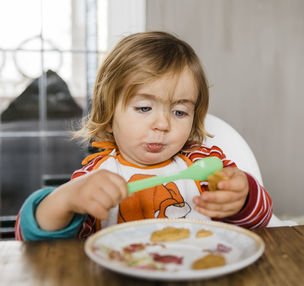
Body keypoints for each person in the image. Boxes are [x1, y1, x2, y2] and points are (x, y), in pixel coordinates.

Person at [15, 31, 272, 241]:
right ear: (109, 115)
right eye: (144, 108)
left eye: (180, 112)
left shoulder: (203, 165)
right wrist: (65, 199)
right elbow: (33, 241)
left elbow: (260, 220)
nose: (162, 124)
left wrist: (243, 197)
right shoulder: (96, 179)